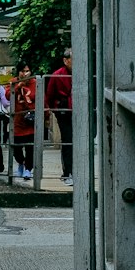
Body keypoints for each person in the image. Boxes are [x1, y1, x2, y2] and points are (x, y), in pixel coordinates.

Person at [45, 45, 73, 185]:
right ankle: (67, 172)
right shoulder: (57, 75)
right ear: (66, 60)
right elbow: (49, 96)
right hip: (64, 113)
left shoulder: (82, 73)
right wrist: (56, 110)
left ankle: (76, 171)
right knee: (68, 142)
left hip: (79, 112)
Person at [10, 61, 37, 180]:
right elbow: (6, 95)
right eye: (23, 71)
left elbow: (40, 98)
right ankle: (21, 162)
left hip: (30, 121)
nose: (25, 74)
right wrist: (18, 86)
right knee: (17, 148)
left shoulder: (35, 83)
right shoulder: (13, 82)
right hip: (17, 121)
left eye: (27, 71)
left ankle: (28, 169)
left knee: (30, 147)